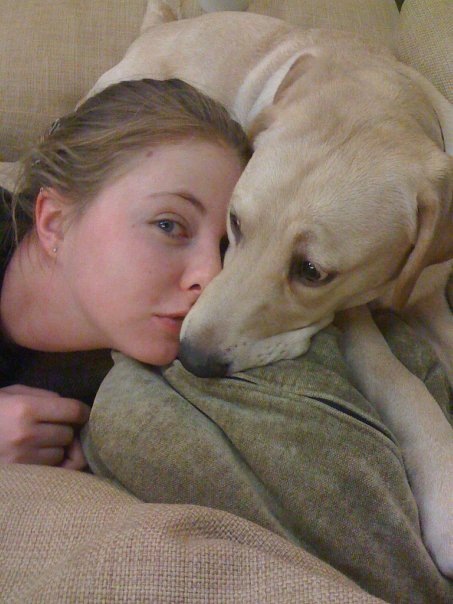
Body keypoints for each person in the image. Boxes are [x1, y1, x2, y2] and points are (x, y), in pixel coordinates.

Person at [0, 78, 252, 470]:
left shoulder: (141, 388)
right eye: (169, 225)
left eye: (225, 248)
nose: (212, 277)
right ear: (55, 222)